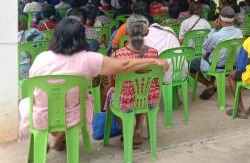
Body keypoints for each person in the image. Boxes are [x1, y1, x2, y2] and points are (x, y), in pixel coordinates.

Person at [18, 18, 169, 150]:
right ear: (81, 37)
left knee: (31, 102)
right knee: (87, 100)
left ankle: (57, 137)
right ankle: (62, 136)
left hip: (40, 113)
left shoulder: (41, 58)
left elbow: (32, 82)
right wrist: (153, 60)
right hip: (73, 113)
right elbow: (123, 65)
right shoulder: (89, 58)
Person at [106, 15, 165, 147]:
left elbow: (112, 82)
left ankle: (128, 130)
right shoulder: (154, 54)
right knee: (144, 90)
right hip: (150, 101)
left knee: (111, 94)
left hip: (126, 102)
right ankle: (138, 127)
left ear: (126, 31)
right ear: (146, 31)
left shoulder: (117, 55)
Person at [189, 7, 243, 100]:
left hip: (216, 67)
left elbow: (205, 47)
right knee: (213, 56)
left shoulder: (216, 35)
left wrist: (213, 29)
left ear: (220, 19)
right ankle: (210, 84)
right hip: (231, 66)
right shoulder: (239, 32)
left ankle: (209, 84)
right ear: (233, 19)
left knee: (191, 65)